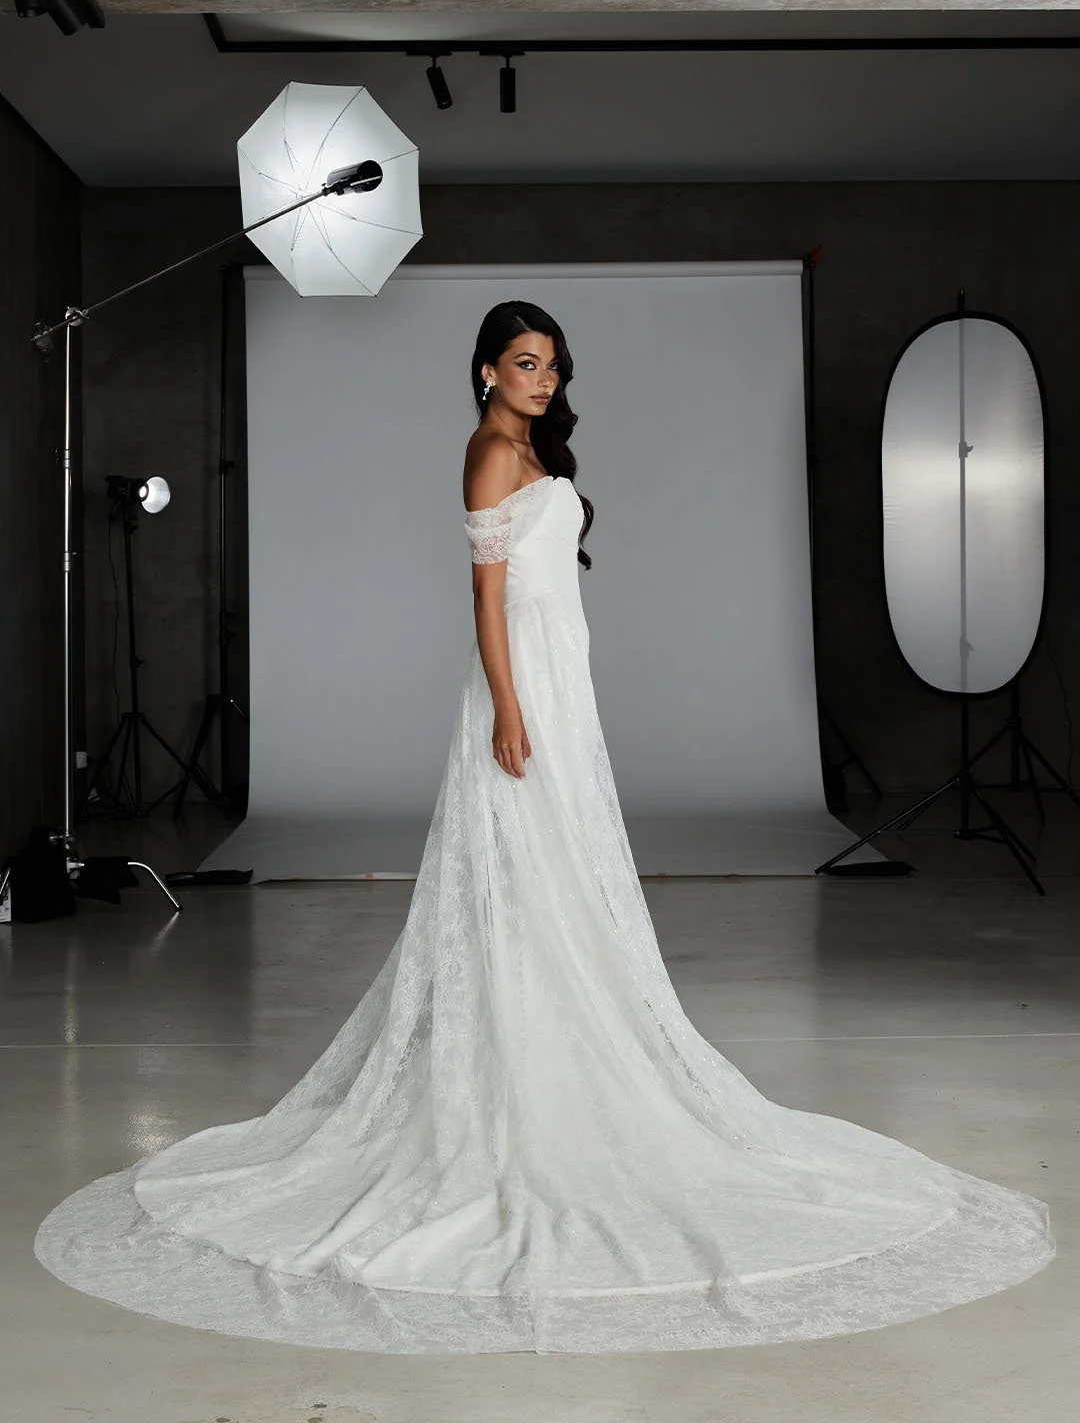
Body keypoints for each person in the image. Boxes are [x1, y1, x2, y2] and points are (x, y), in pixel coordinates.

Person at [35, 300, 1054, 1356]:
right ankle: (517, 1068)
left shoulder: (531, 446)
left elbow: (545, 585)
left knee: (567, 871)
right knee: (517, 872)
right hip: (518, 691)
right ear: (485, 372)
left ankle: (572, 1036)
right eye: (525, 365)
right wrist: (511, 711)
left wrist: (552, 694)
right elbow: (485, 601)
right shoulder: (486, 452)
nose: (543, 381)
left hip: (559, 682)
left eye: (554, 366)